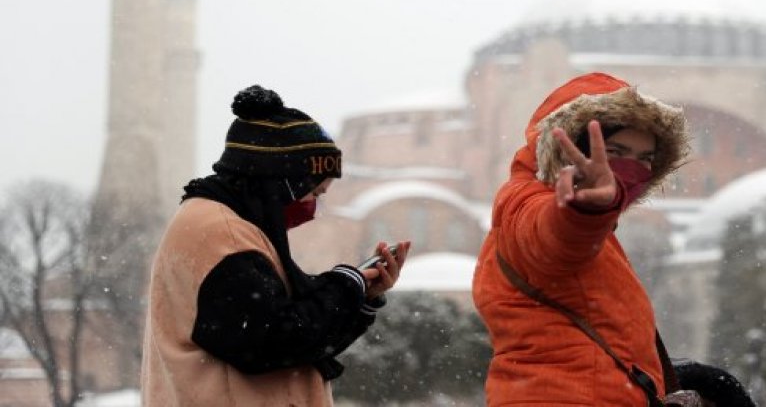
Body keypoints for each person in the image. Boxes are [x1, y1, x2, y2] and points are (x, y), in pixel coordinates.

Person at [141, 85, 410, 406]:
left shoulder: (228, 225)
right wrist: (344, 288)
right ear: (281, 182)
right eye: (315, 193)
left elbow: (299, 338)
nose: (313, 208)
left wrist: (361, 298)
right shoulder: (221, 233)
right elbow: (275, 339)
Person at [472, 72, 693, 405]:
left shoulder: (603, 236)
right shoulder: (529, 201)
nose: (630, 169)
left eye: (644, 159)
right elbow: (551, 240)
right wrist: (582, 214)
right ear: (571, 150)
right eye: (616, 152)